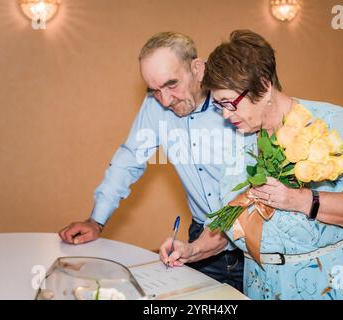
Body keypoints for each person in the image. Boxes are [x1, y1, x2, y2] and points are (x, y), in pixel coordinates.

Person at [159, 29, 343, 300]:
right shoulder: (240, 140)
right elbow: (236, 221)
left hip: (335, 282)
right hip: (264, 286)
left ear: (263, 85)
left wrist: (302, 200)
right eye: (219, 106)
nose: (226, 115)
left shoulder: (330, 123)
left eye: (229, 103)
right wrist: (193, 250)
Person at [58, 32, 244, 291]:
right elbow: (129, 159)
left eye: (171, 85)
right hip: (200, 238)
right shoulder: (154, 106)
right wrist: (96, 220)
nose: (165, 100)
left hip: (252, 236)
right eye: (155, 91)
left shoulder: (236, 103)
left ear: (198, 68)